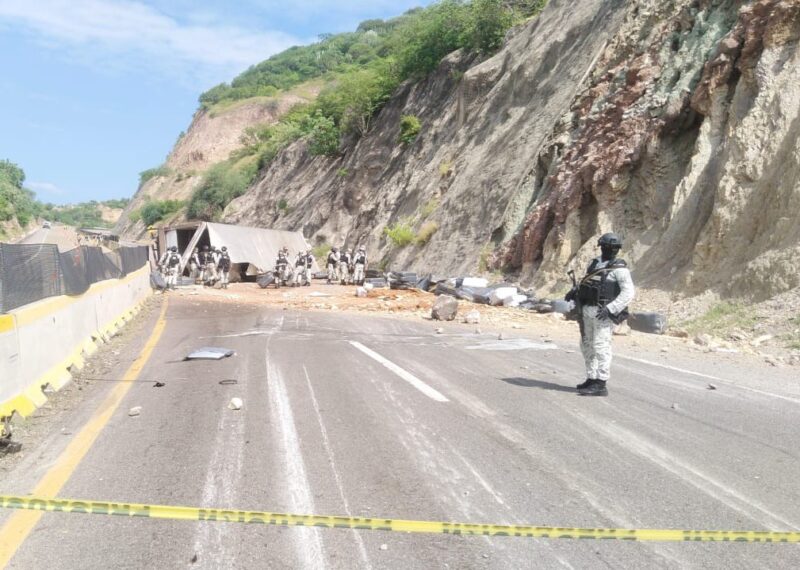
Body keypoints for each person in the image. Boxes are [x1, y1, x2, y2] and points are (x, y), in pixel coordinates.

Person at [566, 233, 635, 396]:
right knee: (586, 344)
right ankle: (591, 377)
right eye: (608, 247)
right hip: (587, 309)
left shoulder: (620, 269)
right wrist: (574, 292)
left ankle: (601, 383)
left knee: (601, 346)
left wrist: (611, 308)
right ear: (602, 247)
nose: (611, 250)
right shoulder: (594, 263)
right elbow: (588, 282)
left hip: (602, 312)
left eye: (614, 248)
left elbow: (629, 292)